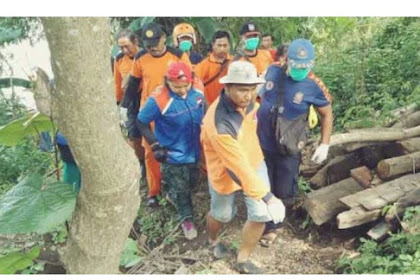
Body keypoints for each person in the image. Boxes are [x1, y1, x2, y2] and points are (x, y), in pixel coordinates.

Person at [201, 61, 285, 274]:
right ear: (227, 88)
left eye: (251, 89)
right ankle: (212, 240)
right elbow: (236, 167)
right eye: (241, 90)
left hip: (253, 161)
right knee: (222, 214)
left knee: (260, 214)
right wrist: (269, 197)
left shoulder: (251, 103)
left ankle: (243, 258)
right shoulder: (219, 123)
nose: (247, 95)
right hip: (225, 170)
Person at [257, 38, 333, 246]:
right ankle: (263, 219)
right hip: (263, 140)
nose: (301, 69)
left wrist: (324, 143)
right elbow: (257, 95)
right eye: (297, 65)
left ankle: (275, 226)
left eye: (305, 66)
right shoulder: (273, 72)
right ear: (286, 60)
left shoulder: (312, 84)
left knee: (284, 184)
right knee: (264, 181)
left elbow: (327, 113)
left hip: (290, 143)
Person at [121, 22, 191, 207]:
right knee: (151, 153)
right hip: (150, 113)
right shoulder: (141, 57)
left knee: (175, 151)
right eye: (147, 43)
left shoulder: (178, 56)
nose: (151, 46)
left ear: (163, 38)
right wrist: (124, 107)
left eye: (154, 42)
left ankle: (177, 189)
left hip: (174, 112)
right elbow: (134, 85)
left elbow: (192, 81)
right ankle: (154, 192)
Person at [137, 61, 205, 240]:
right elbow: (141, 122)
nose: (182, 90)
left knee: (192, 182)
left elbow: (204, 110)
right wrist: (154, 145)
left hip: (194, 150)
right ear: (168, 82)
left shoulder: (197, 91)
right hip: (173, 155)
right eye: (177, 87)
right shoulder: (158, 100)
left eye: (185, 86)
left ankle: (172, 194)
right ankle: (187, 219)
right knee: (182, 190)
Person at [113, 29, 146, 187]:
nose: (125, 50)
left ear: (136, 42)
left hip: (147, 97)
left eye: (127, 46)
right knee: (134, 133)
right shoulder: (119, 59)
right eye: (121, 47)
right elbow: (117, 82)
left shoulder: (146, 55)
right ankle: (142, 163)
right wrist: (119, 103)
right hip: (130, 100)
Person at [195, 30, 233, 105]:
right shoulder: (204, 65)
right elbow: (195, 87)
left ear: (229, 46)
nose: (222, 49)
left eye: (225, 45)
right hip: (210, 108)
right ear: (213, 45)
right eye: (219, 45)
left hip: (231, 108)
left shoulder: (235, 63)